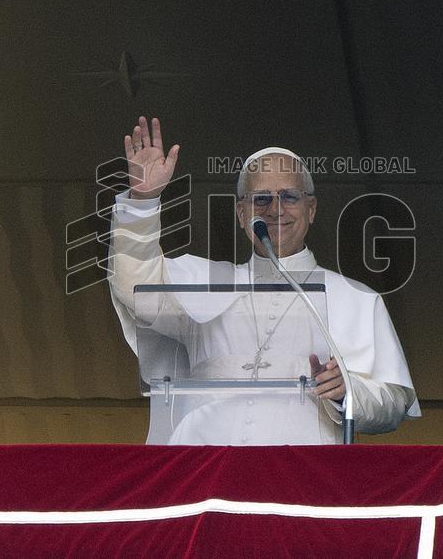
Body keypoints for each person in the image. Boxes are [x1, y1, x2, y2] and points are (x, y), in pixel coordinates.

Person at [108, 116, 420, 445]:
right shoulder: (207, 282)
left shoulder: (354, 298)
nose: (275, 209)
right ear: (242, 214)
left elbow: (394, 399)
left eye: (289, 197)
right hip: (206, 474)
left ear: (311, 208)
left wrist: (348, 392)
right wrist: (142, 201)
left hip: (302, 481)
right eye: (261, 199)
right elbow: (134, 284)